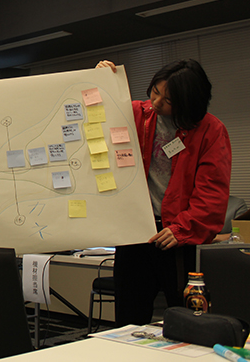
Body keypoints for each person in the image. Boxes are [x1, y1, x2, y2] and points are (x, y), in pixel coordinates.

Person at [97, 59, 231, 325]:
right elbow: (95, 116)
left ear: (188, 103)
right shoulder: (138, 115)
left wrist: (182, 229)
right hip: (136, 234)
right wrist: (101, 82)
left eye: (168, 100)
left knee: (187, 320)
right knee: (128, 319)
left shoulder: (210, 131)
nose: (156, 102)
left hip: (178, 239)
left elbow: (212, 193)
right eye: (155, 92)